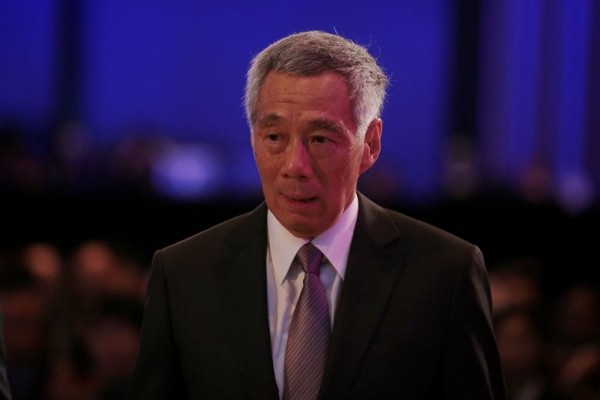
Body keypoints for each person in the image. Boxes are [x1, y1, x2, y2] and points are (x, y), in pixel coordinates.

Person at [128, 30, 506, 399]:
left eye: (321, 139)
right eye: (275, 137)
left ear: (370, 144)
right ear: (253, 138)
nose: (295, 166)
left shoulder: (444, 273)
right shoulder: (183, 274)